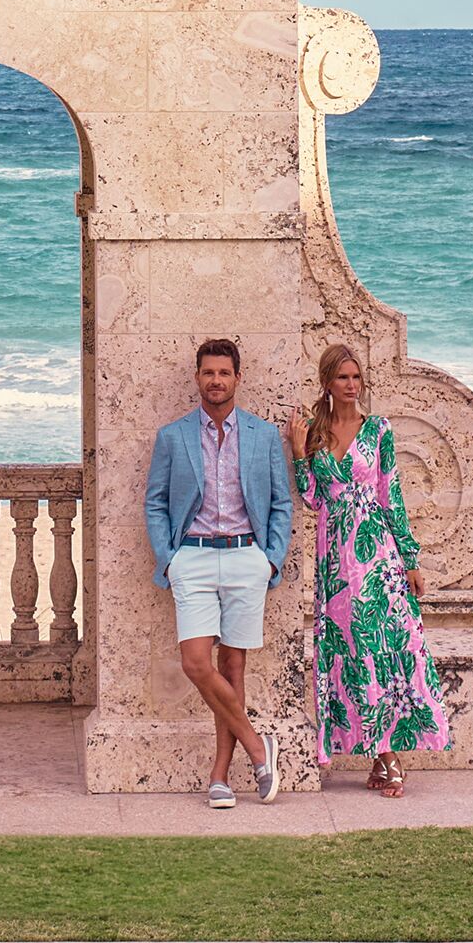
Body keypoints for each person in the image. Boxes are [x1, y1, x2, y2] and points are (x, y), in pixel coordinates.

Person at [289, 340, 448, 797]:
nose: (352, 385)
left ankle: (387, 754)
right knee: (352, 652)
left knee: (386, 646)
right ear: (327, 383)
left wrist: (411, 559)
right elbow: (313, 500)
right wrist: (300, 454)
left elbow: (390, 495)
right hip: (335, 559)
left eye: (357, 377)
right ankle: (378, 755)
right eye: (343, 377)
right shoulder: (315, 433)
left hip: (377, 554)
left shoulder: (377, 430)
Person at [143, 335, 291, 807]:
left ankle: (221, 777)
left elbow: (282, 502)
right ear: (197, 378)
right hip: (194, 556)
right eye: (208, 372)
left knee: (234, 666)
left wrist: (271, 557)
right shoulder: (173, 436)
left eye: (224, 373)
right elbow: (156, 502)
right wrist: (169, 557)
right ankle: (256, 745)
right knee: (196, 663)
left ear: (237, 378)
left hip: (248, 556)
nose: (215, 380)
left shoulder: (264, 436)